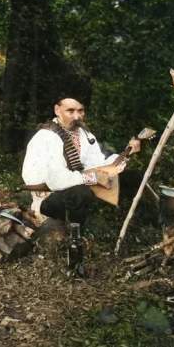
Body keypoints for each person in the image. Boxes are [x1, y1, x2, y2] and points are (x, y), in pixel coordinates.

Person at [22, 95, 141, 270]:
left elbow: (98, 164)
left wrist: (126, 153)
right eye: (70, 111)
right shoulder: (46, 137)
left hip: (74, 186)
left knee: (133, 177)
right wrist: (92, 178)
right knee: (80, 193)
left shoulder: (84, 134)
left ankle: (132, 232)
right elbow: (57, 180)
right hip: (49, 197)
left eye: (80, 111)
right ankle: (77, 250)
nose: (77, 116)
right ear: (57, 110)